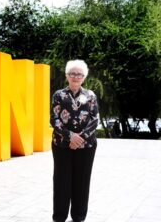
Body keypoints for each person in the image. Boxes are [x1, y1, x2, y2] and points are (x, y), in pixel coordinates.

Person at [50, 60, 99, 222]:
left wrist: (80, 138)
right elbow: (54, 119)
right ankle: (59, 217)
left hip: (87, 146)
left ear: (84, 77)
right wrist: (71, 137)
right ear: (67, 76)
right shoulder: (59, 95)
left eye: (79, 74)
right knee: (61, 181)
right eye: (72, 74)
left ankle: (78, 217)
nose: (75, 77)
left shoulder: (90, 95)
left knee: (82, 181)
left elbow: (94, 119)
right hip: (62, 144)